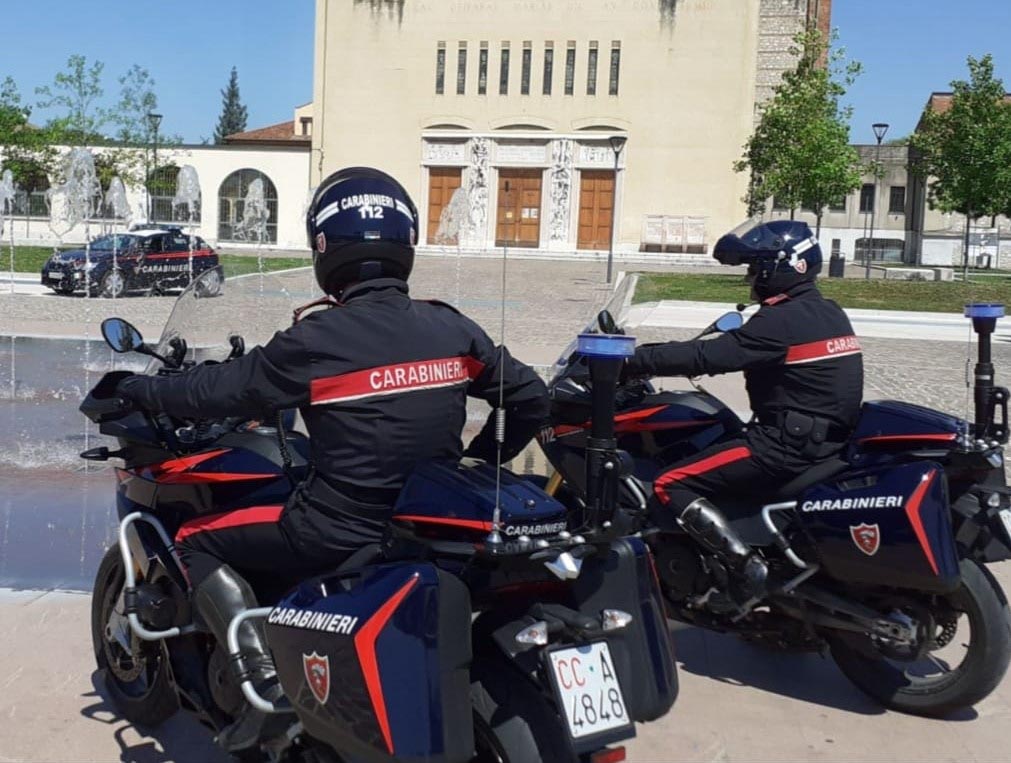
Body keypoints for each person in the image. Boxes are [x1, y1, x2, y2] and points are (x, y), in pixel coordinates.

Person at [117, 166, 549, 751]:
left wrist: (137, 390)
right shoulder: (450, 326)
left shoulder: (315, 340)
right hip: (423, 522)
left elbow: (215, 393)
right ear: (406, 242)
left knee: (192, 536)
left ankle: (261, 682)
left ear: (324, 246)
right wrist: (479, 457)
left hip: (335, 528)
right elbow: (530, 397)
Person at [623, 219, 863, 612]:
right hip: (822, 441)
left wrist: (632, 359)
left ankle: (747, 570)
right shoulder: (826, 311)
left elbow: (710, 356)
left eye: (757, 267)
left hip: (782, 447)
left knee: (670, 483)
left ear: (781, 267)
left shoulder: (781, 320)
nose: (751, 277)